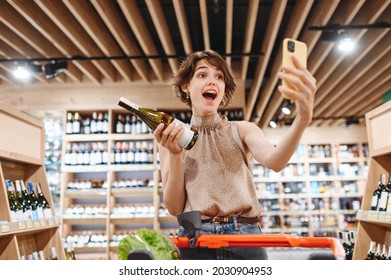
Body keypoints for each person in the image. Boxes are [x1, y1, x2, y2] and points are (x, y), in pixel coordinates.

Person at [154, 50, 316, 260]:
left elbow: (276, 162)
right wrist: (176, 154)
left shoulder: (243, 130)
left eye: (219, 77)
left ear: (224, 90)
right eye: (202, 75)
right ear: (186, 86)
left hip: (245, 238)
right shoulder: (173, 136)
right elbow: (174, 208)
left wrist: (302, 119)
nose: (212, 82)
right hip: (195, 240)